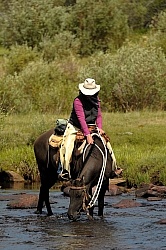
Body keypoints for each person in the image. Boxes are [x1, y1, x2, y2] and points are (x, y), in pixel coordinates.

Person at [59, 78, 118, 180]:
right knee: (68, 147)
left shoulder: (97, 100)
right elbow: (81, 119)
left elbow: (98, 116)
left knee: (107, 145)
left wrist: (99, 128)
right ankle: (65, 170)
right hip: (75, 127)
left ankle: (113, 168)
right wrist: (87, 135)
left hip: (92, 126)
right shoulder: (77, 101)